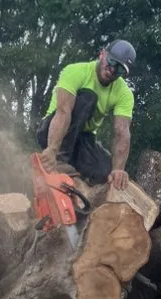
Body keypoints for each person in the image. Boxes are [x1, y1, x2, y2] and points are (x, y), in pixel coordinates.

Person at [36, 39, 136, 191]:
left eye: (120, 70)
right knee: (88, 97)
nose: (112, 70)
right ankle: (60, 160)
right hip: (53, 131)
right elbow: (63, 113)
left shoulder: (124, 93)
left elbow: (122, 133)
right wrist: (52, 149)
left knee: (106, 172)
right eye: (111, 62)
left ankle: (78, 181)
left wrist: (118, 169)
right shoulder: (76, 71)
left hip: (82, 140)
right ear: (102, 54)